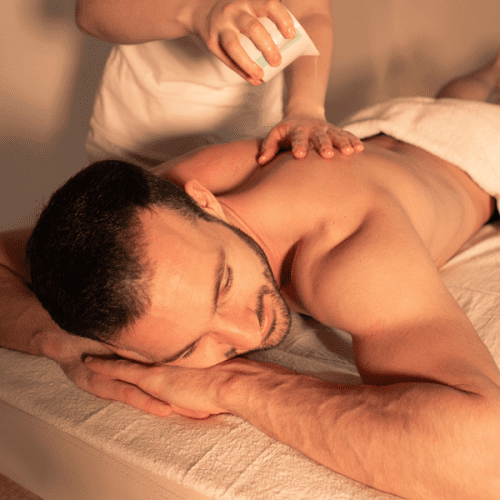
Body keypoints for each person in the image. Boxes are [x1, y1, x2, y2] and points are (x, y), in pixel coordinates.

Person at [1, 52, 500, 500]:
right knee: (460, 93)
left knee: (476, 108)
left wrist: (240, 384)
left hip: (476, 156)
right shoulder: (156, 211)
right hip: (380, 130)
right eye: (190, 347)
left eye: (222, 285)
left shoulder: (349, 256)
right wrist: (66, 346)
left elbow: (486, 457)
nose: (246, 334)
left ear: (205, 203)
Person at [77, 0, 363, 168]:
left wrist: (306, 107)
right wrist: (197, 11)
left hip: (246, 148)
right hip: (135, 143)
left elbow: (309, 10)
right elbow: (91, 11)